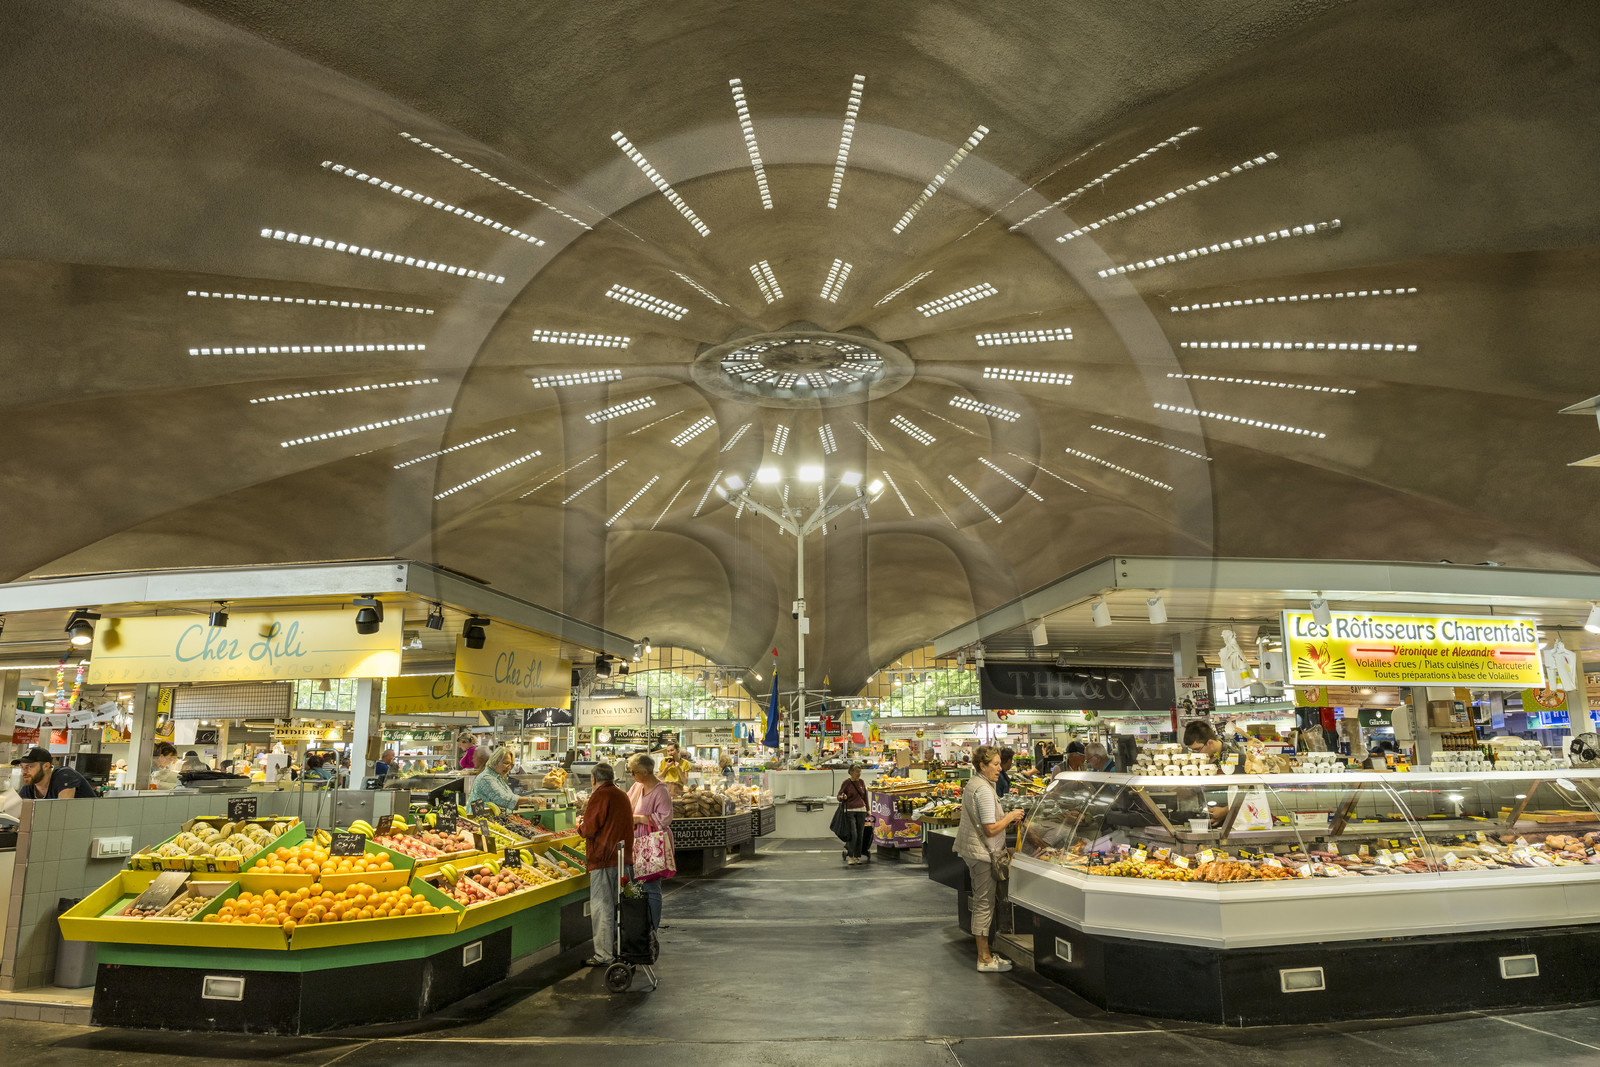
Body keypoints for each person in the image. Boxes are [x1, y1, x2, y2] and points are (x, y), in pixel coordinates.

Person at [955, 746, 1026, 972]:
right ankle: (984, 959)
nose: (999, 767)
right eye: (994, 764)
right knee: (984, 904)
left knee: (983, 902)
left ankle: (986, 952)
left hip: (977, 851)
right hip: (983, 854)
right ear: (982, 766)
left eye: (998, 763)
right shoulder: (984, 790)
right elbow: (990, 829)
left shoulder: (976, 783)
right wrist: (1011, 816)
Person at [579, 763, 634, 966]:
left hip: (604, 859)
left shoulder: (600, 795)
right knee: (620, 906)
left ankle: (603, 955)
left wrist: (580, 829)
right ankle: (620, 948)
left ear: (593, 779)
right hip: (623, 859)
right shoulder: (622, 794)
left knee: (602, 906)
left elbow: (590, 828)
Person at [625, 754, 672, 929]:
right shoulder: (637, 786)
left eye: (634, 772)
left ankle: (652, 928)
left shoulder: (661, 791)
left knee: (651, 887)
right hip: (635, 842)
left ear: (645, 771)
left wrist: (639, 819)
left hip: (652, 845)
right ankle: (639, 927)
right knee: (636, 885)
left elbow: (665, 818)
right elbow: (626, 803)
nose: (632, 775)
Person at [11, 747, 95, 799]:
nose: (24, 772)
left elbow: (62, 811)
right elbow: (15, 814)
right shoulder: (29, 788)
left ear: (46, 766)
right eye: (22, 767)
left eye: (30, 766)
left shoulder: (65, 776)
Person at [837, 763, 870, 865]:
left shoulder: (861, 782)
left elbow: (865, 797)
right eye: (856, 772)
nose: (858, 774)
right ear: (851, 772)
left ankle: (857, 856)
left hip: (861, 810)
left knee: (860, 834)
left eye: (859, 772)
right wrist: (842, 797)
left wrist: (868, 809)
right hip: (850, 811)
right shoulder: (846, 783)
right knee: (853, 834)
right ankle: (850, 856)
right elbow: (839, 796)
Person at [468, 745, 519, 811]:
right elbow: (502, 799)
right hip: (480, 818)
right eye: (506, 763)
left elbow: (509, 797)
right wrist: (530, 800)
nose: (509, 767)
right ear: (496, 761)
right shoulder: (486, 778)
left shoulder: (497, 777)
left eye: (511, 765)